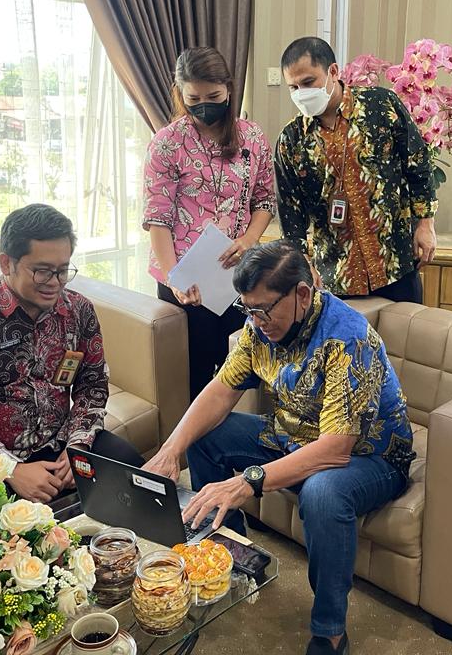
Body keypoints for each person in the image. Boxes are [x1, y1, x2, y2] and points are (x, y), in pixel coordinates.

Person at [143, 240, 415, 655]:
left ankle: (330, 632)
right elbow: (220, 390)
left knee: (322, 493)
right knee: (204, 436)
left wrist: (247, 482)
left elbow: (334, 449)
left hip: (370, 457)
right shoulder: (259, 327)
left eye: (263, 310)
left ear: (302, 294)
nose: (255, 321)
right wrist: (171, 450)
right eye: (247, 309)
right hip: (292, 436)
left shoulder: (347, 337)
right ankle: (236, 557)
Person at [0, 203, 144, 531]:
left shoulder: (78, 311)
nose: (54, 282)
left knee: (136, 480)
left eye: (63, 270)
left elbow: (92, 387)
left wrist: (77, 446)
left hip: (58, 440)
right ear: (6, 263)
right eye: (42, 271)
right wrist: (10, 469)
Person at [143, 46, 276, 401]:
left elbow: (265, 200)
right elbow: (157, 218)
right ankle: (196, 436)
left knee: (241, 367)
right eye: (194, 99)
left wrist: (249, 239)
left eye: (213, 97)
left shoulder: (252, 138)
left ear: (229, 90)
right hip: (186, 277)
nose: (204, 106)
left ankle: (237, 432)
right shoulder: (167, 144)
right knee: (194, 375)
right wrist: (175, 277)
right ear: (180, 94)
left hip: (238, 273)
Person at [274, 36, 437, 304]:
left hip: (394, 262)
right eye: (293, 87)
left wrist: (425, 224)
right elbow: (290, 212)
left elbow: (417, 163)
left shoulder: (381, 106)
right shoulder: (291, 140)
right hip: (336, 274)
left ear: (333, 72)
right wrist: (302, 264)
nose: (302, 93)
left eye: (308, 82)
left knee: (406, 331)